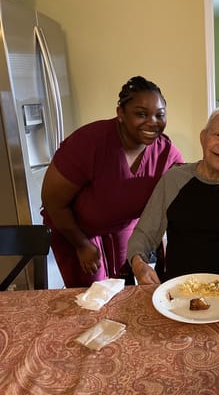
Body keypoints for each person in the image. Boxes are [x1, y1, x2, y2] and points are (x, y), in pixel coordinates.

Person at [41, 76, 184, 287]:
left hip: (122, 226)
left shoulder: (165, 152)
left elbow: (189, 185)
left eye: (159, 115)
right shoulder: (89, 142)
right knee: (93, 293)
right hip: (75, 229)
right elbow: (52, 199)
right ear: (121, 114)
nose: (153, 122)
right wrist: (81, 244)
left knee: (123, 286)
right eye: (141, 114)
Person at [127, 106, 219, 284]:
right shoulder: (173, 180)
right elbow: (143, 234)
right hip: (180, 292)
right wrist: (139, 265)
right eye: (218, 135)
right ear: (203, 138)